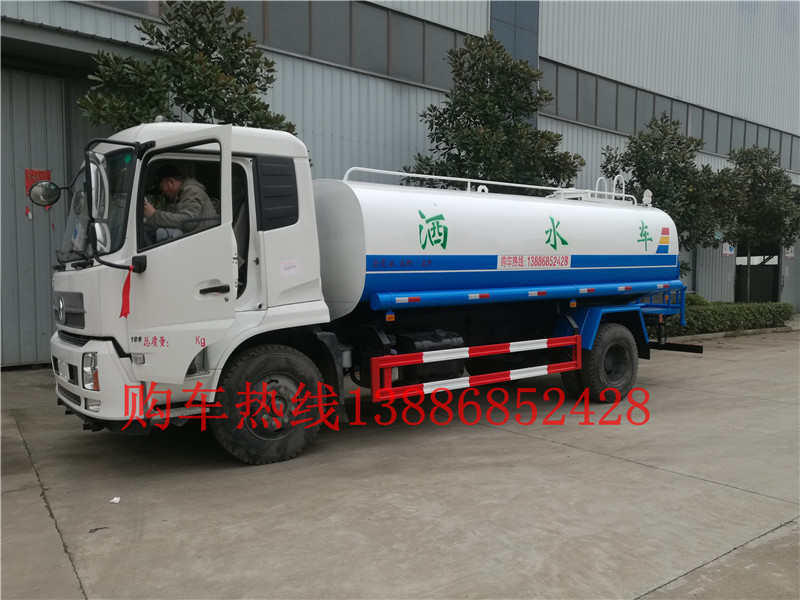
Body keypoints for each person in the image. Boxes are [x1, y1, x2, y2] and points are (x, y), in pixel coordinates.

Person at [143, 165, 217, 235]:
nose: (163, 193)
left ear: (171, 182)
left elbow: (188, 222)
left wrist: (154, 215)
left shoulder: (191, 191)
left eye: (162, 189)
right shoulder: (180, 195)